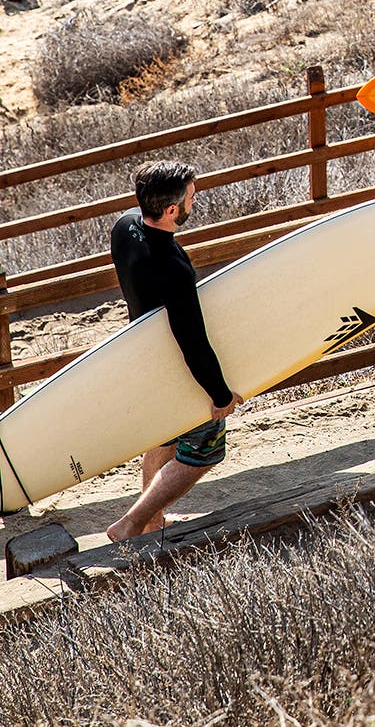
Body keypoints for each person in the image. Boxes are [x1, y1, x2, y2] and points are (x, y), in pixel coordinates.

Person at [106, 161, 242, 542]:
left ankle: (152, 522)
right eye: (190, 198)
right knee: (203, 449)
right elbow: (192, 340)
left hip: (145, 356)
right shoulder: (171, 269)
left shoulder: (124, 228)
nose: (193, 202)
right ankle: (132, 523)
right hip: (177, 366)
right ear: (171, 211)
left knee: (164, 436)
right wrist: (219, 395)